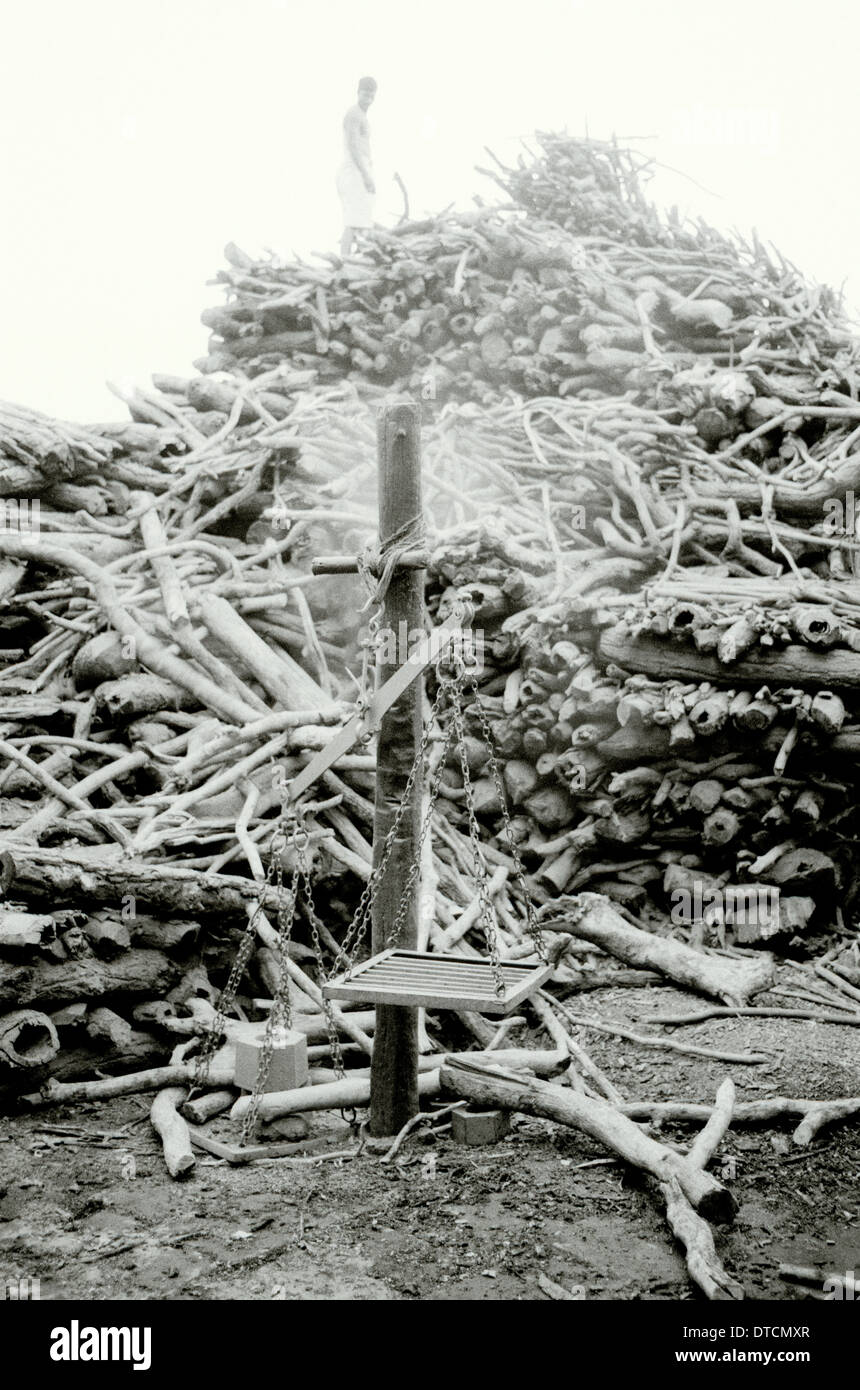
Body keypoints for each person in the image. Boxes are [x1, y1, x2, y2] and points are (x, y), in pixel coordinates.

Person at [337, 77, 377, 257]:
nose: (368, 97)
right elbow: (353, 146)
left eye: (371, 94)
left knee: (361, 219)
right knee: (353, 220)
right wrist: (366, 175)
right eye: (365, 93)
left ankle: (355, 258)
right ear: (358, 93)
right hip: (354, 169)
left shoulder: (362, 115)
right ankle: (345, 260)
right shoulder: (353, 114)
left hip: (360, 167)